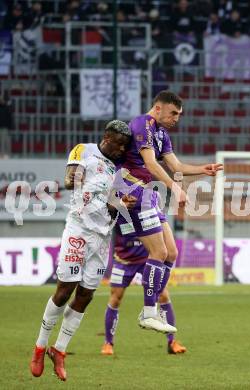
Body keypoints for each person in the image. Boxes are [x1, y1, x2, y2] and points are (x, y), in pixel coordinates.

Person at [30, 120, 133, 382]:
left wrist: (121, 202)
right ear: (107, 139)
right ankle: (40, 347)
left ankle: (59, 350)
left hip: (102, 237)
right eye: (119, 145)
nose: (122, 150)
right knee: (65, 289)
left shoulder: (118, 169)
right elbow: (68, 180)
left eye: (125, 146)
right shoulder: (83, 150)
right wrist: (78, 178)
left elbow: (113, 204)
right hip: (79, 230)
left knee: (86, 294)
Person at [118, 90, 222, 333]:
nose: (177, 118)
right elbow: (152, 164)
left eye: (179, 114)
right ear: (158, 108)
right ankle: (149, 313)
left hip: (150, 194)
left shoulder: (162, 133)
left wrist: (202, 169)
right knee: (159, 251)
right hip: (132, 191)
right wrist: (176, 189)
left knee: (171, 253)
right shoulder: (141, 124)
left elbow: (176, 165)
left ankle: (151, 311)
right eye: (173, 112)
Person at [101, 219, 186, 356]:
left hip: (149, 259)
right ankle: (108, 342)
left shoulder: (148, 208)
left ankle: (172, 341)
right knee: (116, 298)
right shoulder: (120, 208)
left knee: (163, 294)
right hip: (124, 260)